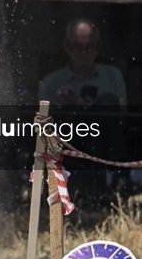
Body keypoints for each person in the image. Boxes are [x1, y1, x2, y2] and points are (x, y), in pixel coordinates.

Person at [38, 17, 128, 202]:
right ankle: (115, 174)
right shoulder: (51, 83)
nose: (84, 52)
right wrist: (65, 108)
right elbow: (42, 128)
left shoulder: (112, 76)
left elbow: (124, 116)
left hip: (107, 138)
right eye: (78, 47)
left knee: (107, 102)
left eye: (90, 47)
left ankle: (111, 173)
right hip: (71, 138)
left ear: (98, 47)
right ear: (67, 47)